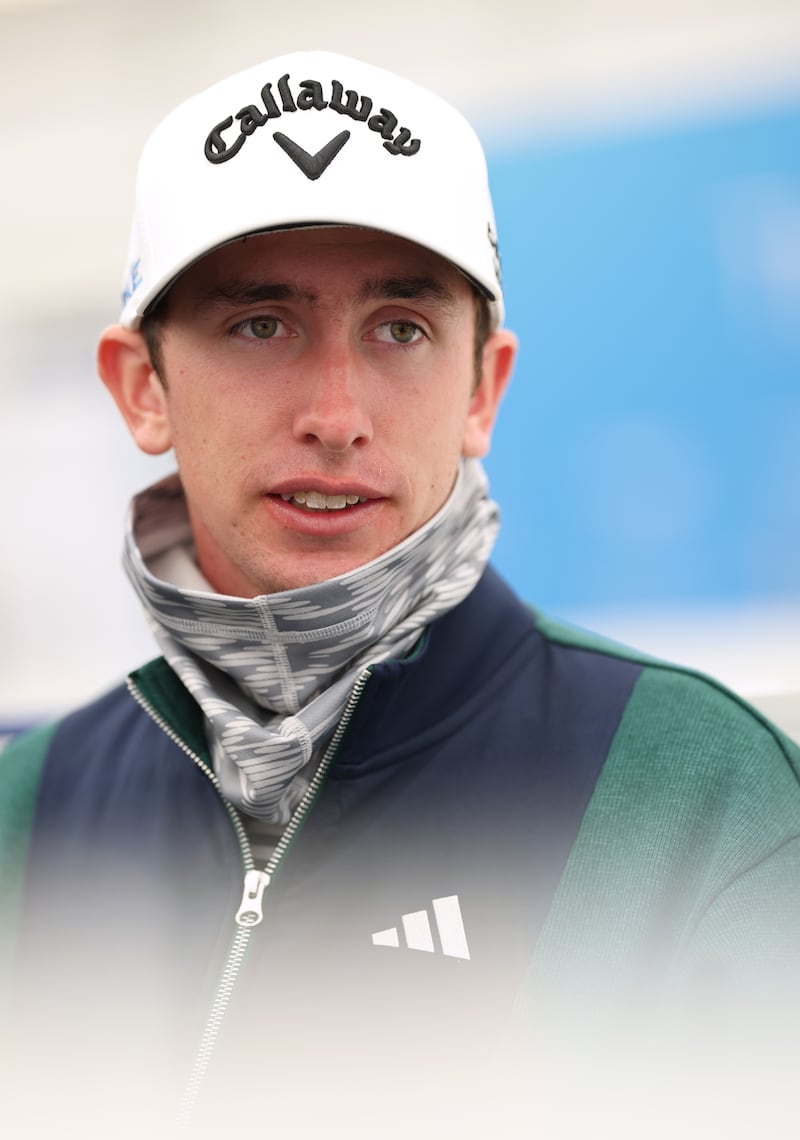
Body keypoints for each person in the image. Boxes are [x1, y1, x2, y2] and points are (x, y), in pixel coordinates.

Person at [1, 49, 799, 1139]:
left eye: (400, 330)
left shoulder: (693, 799)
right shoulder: (28, 812)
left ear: (481, 390)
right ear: (144, 388)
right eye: (259, 325)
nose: (336, 413)